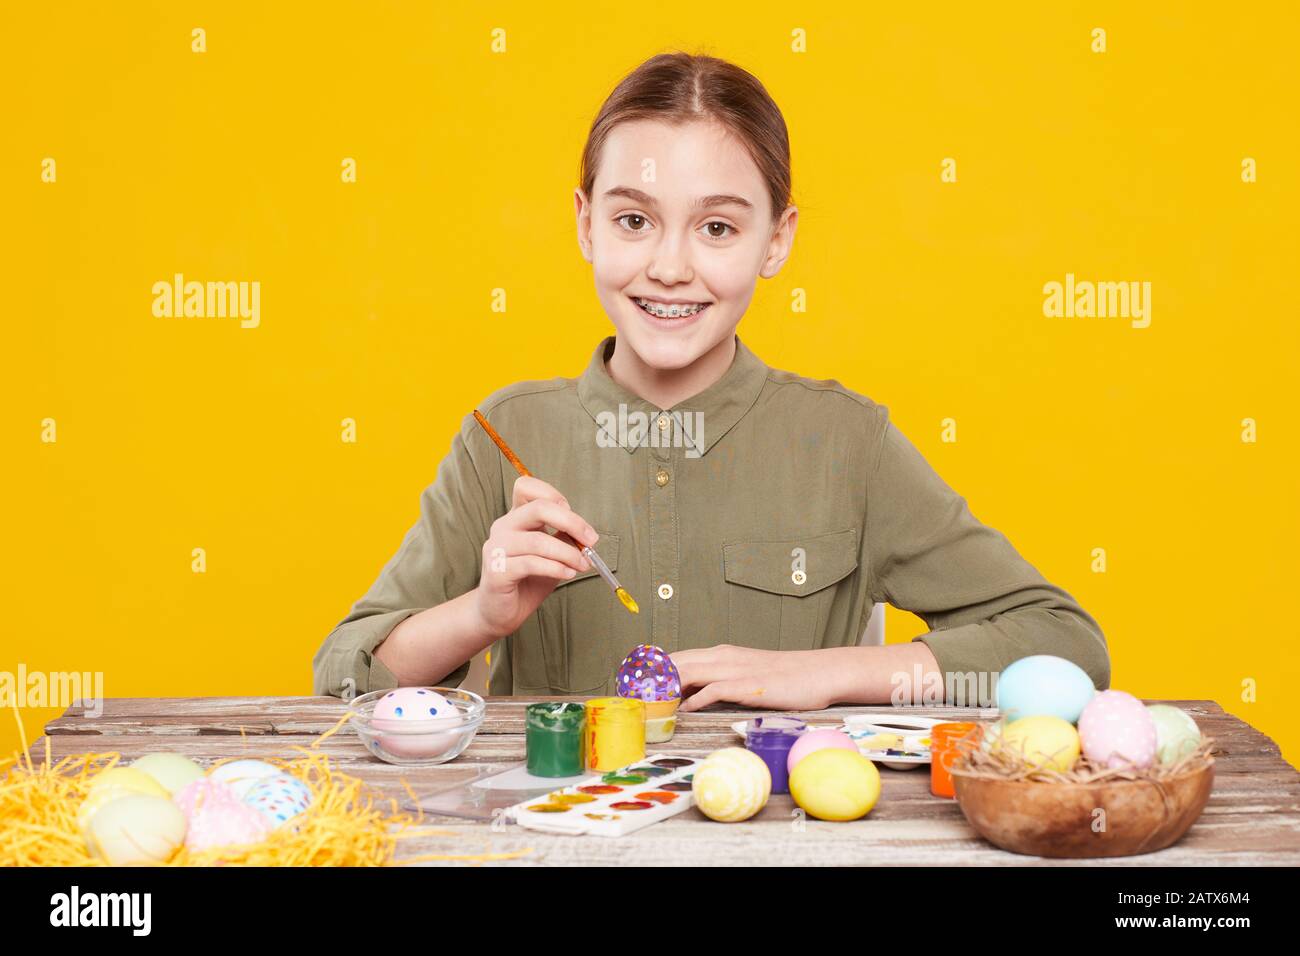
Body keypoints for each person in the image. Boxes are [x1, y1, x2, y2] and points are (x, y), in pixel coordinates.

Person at [312, 51, 1109, 711]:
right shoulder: (506, 436)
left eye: (718, 227)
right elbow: (342, 675)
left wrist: (829, 674)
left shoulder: (846, 444)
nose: (668, 266)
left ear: (777, 240)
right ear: (586, 224)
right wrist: (479, 616)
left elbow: (1066, 644)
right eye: (634, 220)